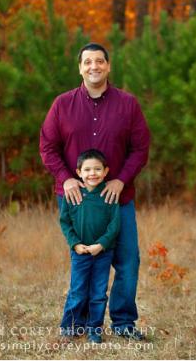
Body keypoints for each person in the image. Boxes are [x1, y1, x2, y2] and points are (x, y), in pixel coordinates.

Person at [40, 42, 151, 340]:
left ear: (108, 66)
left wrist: (120, 180)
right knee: (85, 264)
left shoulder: (128, 104)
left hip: (118, 199)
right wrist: (65, 178)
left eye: (100, 61)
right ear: (79, 67)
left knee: (128, 261)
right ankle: (80, 325)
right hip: (77, 202)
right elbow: (47, 147)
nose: (94, 67)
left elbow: (140, 149)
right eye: (87, 62)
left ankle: (124, 323)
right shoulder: (61, 105)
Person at [59, 149, 120, 344]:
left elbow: (114, 225)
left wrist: (101, 245)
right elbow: (65, 222)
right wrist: (75, 244)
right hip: (80, 252)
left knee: (98, 293)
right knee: (77, 290)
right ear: (78, 172)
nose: (92, 173)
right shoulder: (72, 195)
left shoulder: (108, 195)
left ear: (105, 171)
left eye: (97, 169)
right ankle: (70, 327)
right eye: (87, 169)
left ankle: (94, 329)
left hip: (102, 253)